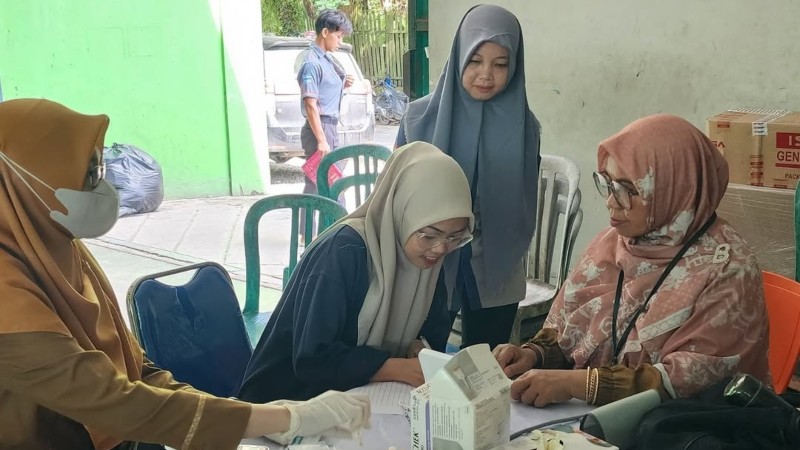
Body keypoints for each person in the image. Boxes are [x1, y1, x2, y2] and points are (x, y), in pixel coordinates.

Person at [0, 98, 370, 450]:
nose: (103, 188)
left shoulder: (56, 248)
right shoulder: (7, 293)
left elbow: (135, 370)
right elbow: (108, 398)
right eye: (86, 175)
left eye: (100, 171)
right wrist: (280, 418)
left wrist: (243, 415)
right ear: (20, 183)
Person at [493, 114, 771, 407]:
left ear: (675, 190)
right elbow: (571, 333)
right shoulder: (612, 244)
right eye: (609, 184)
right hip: (598, 414)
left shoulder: (727, 269)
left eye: (629, 190)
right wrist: (533, 355)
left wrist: (578, 384)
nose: (611, 201)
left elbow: (689, 383)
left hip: (683, 423)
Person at [238, 141, 474, 403]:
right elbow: (312, 360)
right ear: (401, 212)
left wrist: (419, 349)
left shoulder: (426, 260)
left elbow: (430, 339)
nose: (441, 248)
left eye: (455, 237)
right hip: (285, 403)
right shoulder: (343, 252)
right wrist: (396, 367)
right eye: (429, 235)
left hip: (359, 399)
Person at [395, 4, 540, 349]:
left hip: (497, 261)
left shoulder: (526, 127)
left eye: (500, 64)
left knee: (484, 363)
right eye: (475, 60)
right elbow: (394, 195)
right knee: (417, 356)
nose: (486, 74)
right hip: (426, 259)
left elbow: (523, 200)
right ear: (459, 55)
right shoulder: (418, 119)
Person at [297, 8, 354, 236]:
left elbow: (327, 86)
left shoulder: (327, 59)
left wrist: (343, 82)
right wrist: (321, 140)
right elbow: (311, 104)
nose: (340, 41)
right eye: (338, 36)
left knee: (323, 179)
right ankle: (324, 229)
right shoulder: (312, 63)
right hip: (319, 128)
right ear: (325, 32)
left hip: (328, 127)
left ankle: (318, 228)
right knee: (322, 180)